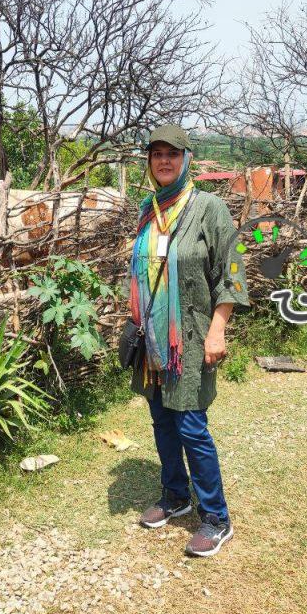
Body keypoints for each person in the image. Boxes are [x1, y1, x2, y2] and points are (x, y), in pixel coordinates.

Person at [128, 124, 249, 558]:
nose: (164, 160)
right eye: (156, 153)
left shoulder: (209, 208)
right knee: (162, 419)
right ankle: (176, 496)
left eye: (172, 154)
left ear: (186, 159)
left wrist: (219, 329)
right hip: (155, 337)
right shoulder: (149, 208)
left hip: (193, 336)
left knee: (191, 426)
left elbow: (231, 272)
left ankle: (216, 517)